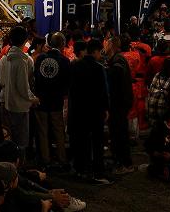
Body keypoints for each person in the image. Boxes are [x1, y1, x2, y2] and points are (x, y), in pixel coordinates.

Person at [68, 39, 109, 184]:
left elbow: (71, 89)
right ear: (96, 51)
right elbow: (104, 91)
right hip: (95, 110)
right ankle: (97, 171)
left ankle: (80, 169)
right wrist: (105, 108)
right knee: (97, 142)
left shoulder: (75, 66)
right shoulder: (99, 68)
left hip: (79, 109)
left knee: (81, 140)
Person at [33, 32, 71, 169]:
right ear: (62, 44)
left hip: (41, 99)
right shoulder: (65, 61)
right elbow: (67, 83)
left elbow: (35, 78)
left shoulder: (40, 59)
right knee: (59, 131)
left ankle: (45, 159)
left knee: (42, 131)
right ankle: (62, 159)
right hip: (56, 100)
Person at [1, 26, 39, 151]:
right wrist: (33, 99)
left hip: (9, 102)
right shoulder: (21, 60)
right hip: (20, 106)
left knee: (12, 138)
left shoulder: (7, 57)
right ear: (25, 40)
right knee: (21, 140)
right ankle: (19, 166)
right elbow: (23, 86)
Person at [104, 35, 135, 175]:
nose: (104, 45)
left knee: (120, 132)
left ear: (111, 46)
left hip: (119, 103)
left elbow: (115, 78)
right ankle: (118, 159)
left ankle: (125, 163)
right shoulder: (116, 59)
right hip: (119, 102)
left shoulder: (118, 61)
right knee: (116, 132)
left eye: (106, 43)